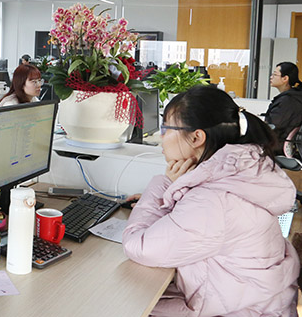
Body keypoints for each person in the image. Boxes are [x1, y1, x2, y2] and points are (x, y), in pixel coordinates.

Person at [122, 86, 298, 317]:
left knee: (115, 300)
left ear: (196, 137)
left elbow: (138, 246)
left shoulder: (213, 201)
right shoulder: (241, 171)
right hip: (254, 305)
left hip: (237, 311)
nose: (161, 138)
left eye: (166, 129)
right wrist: (171, 194)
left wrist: (164, 184)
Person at [265, 61, 302, 153]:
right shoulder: (294, 97)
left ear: (285, 78)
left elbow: (274, 126)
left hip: (276, 145)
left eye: (275, 74)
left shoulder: (288, 101)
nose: (271, 77)